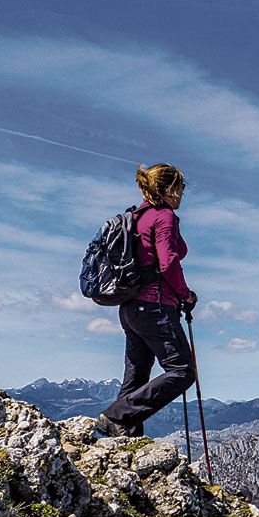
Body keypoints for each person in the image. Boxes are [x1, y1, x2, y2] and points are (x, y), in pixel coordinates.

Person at [97, 163, 199, 437]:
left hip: (130, 308)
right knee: (182, 371)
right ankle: (115, 415)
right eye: (180, 188)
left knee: (136, 374)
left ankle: (125, 437)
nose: (181, 195)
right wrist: (185, 295)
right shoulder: (163, 216)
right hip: (155, 306)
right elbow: (168, 263)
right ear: (168, 189)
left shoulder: (136, 217)